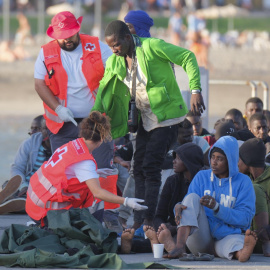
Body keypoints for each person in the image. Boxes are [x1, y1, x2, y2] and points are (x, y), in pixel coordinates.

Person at [92, 20, 205, 231]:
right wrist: (95, 116)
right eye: (110, 46)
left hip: (167, 117)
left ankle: (149, 221)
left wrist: (195, 90)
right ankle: (139, 220)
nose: (114, 50)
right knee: (139, 168)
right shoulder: (115, 61)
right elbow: (103, 87)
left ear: (128, 37)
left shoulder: (152, 46)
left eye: (116, 44)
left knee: (151, 167)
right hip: (143, 118)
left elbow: (187, 56)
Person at [26, 111, 147, 226]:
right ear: (102, 138)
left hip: (34, 204)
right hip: (45, 212)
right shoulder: (84, 161)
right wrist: (126, 201)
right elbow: (98, 193)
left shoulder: (72, 145)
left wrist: (95, 173)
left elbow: (67, 172)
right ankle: (92, 229)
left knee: (89, 188)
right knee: (97, 198)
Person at [158, 136, 257, 262]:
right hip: (200, 237)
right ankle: (179, 246)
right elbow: (188, 204)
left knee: (236, 243)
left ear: (230, 160)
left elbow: (245, 219)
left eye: (219, 159)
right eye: (212, 157)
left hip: (227, 237)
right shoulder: (202, 177)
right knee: (191, 198)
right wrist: (178, 206)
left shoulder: (244, 182)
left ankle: (241, 253)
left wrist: (217, 208)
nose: (214, 162)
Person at [34, 11, 112, 152]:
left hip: (96, 122)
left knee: (101, 170)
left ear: (77, 30)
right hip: (62, 126)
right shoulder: (45, 53)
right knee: (65, 171)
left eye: (69, 34)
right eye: (62, 36)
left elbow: (117, 71)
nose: (66, 39)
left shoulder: (96, 46)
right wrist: (58, 108)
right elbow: (39, 85)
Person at [120, 143, 206, 254]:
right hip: (171, 230)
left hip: (195, 231)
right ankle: (130, 245)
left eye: (178, 158)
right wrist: (163, 227)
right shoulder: (172, 181)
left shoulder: (205, 180)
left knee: (171, 241)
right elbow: (159, 215)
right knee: (159, 238)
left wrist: (174, 229)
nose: (173, 161)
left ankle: (165, 245)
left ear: (189, 161)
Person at [0, 117, 51, 214]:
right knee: (8, 185)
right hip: (25, 186)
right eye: (44, 129)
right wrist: (23, 185)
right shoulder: (28, 143)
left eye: (49, 129)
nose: (46, 132)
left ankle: (13, 204)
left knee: (38, 202)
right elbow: (17, 167)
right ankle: (13, 201)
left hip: (43, 190)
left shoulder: (61, 146)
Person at [238, 138, 270, 256]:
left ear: (248, 160)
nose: (237, 163)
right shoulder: (246, 179)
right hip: (249, 237)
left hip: (266, 234)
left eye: (239, 158)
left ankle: (265, 241)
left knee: (255, 189)